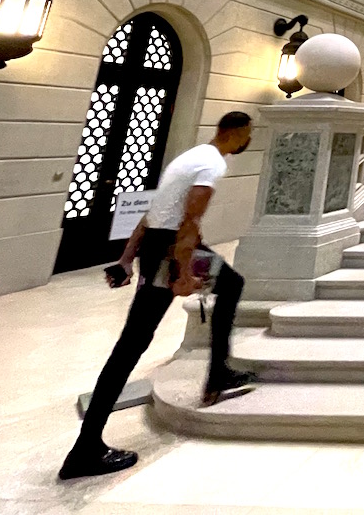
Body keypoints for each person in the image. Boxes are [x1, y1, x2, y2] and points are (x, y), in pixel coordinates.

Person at [59, 112, 257, 481]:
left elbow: (151, 217)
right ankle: (85, 450)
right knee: (132, 344)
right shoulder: (211, 165)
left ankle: (219, 373)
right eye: (248, 134)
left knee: (230, 283)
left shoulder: (189, 157)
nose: (249, 140)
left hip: (158, 245)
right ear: (237, 134)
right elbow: (189, 222)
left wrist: (126, 258)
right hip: (171, 250)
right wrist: (181, 274)